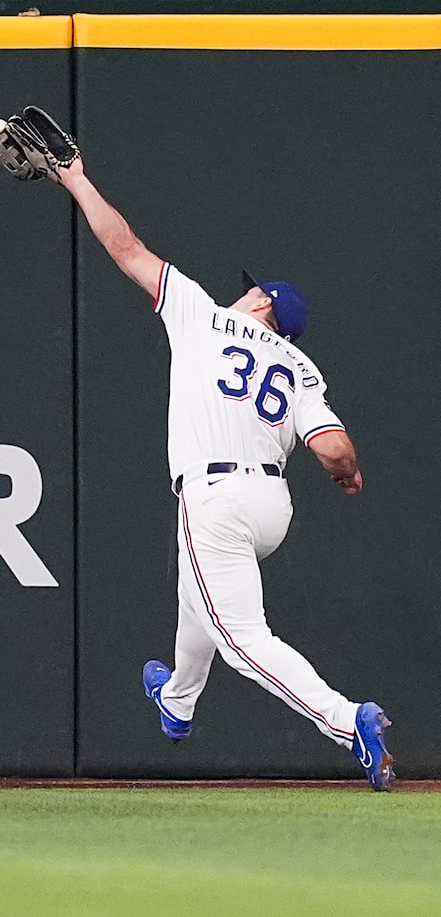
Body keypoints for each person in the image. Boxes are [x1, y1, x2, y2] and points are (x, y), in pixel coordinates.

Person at [52, 155, 395, 791]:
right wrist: (346, 476)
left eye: (252, 286)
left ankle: (351, 723)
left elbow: (123, 244)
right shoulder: (300, 368)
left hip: (216, 494)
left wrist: (74, 177)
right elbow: (334, 448)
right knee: (199, 598)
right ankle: (178, 700)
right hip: (272, 505)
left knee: (239, 638)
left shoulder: (204, 314)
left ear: (263, 301)